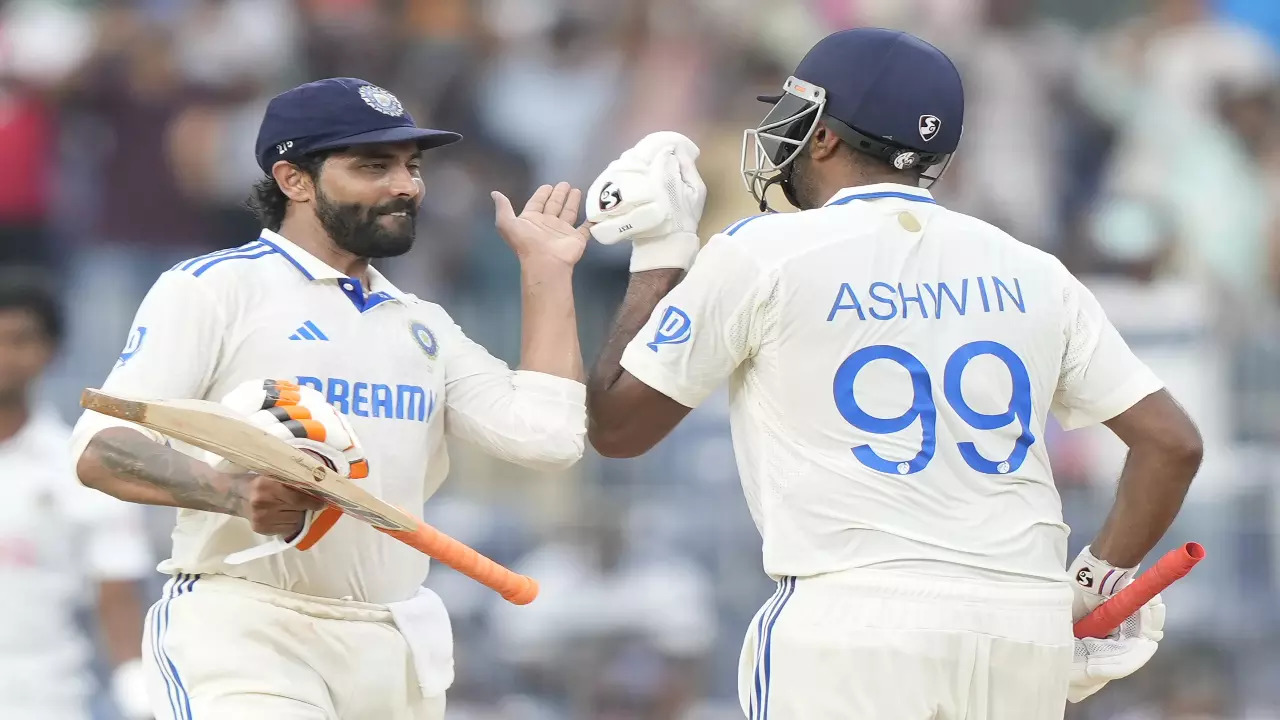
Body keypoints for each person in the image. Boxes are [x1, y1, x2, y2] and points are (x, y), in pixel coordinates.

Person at [580, 29, 1204, 719]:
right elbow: (1171, 443)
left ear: (823, 140)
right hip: (1022, 622)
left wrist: (658, 256)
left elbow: (617, 427)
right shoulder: (1031, 266)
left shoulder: (764, 251)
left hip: (854, 620)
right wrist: (1091, 586)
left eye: (798, 117)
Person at [69, 77, 592, 720]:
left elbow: (548, 437)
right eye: (373, 165)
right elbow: (98, 449)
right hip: (247, 631)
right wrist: (231, 493)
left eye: (411, 166)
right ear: (294, 179)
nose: (406, 185)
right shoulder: (214, 289)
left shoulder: (420, 322)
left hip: (391, 645)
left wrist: (545, 274)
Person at [0, 268, 152, 720]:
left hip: (44, 702)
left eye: (20, 339)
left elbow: (117, 598)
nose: (4, 355)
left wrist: (138, 696)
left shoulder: (83, 471)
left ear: (51, 351)